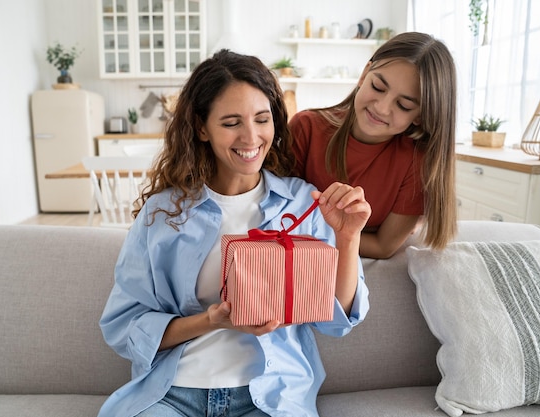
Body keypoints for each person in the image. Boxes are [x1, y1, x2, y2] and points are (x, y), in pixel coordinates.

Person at [98, 49, 371, 417]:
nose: (251, 136)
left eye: (262, 119)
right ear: (201, 128)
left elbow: (335, 320)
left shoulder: (303, 203)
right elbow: (124, 324)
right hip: (173, 394)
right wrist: (212, 320)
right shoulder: (163, 212)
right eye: (230, 123)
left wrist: (348, 238)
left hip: (270, 397)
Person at [289, 31, 458, 259]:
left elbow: (382, 246)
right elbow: (273, 216)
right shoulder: (307, 127)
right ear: (364, 74)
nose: (381, 108)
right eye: (378, 87)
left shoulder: (417, 162)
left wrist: (336, 234)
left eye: (404, 105)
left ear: (420, 115)